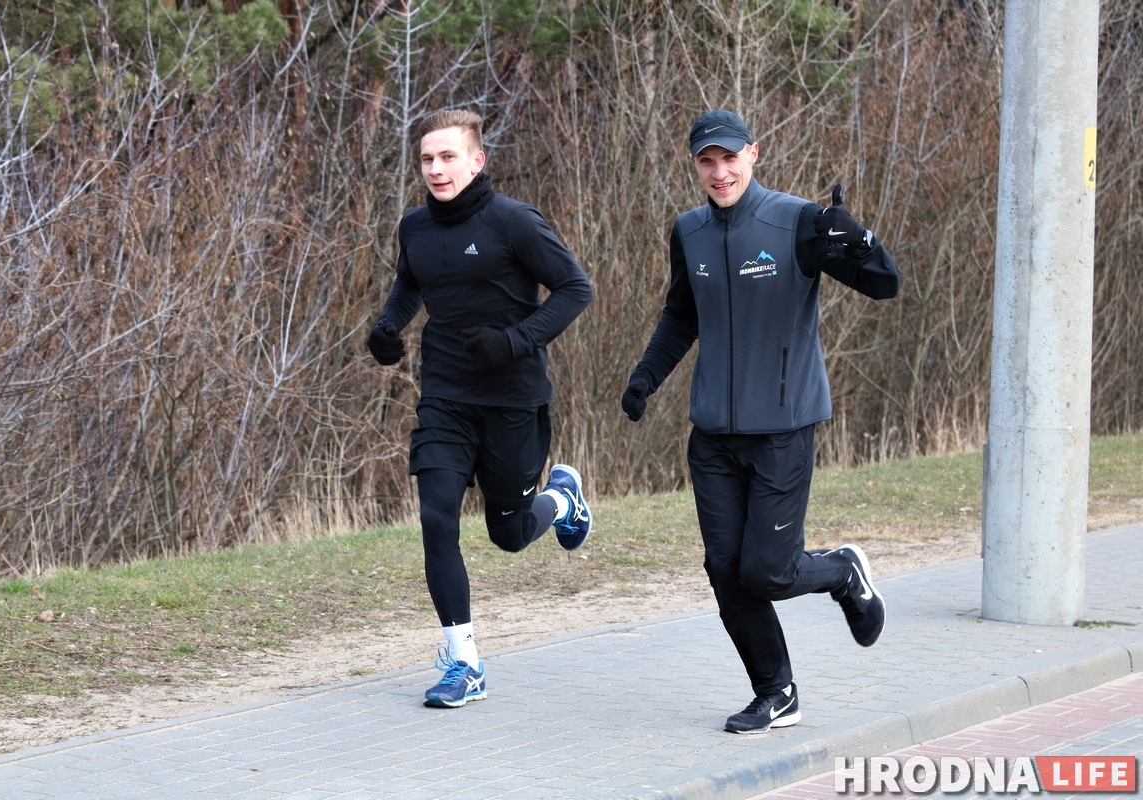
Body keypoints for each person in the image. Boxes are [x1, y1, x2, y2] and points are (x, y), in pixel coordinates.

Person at [620, 110, 900, 734]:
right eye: (706, 162)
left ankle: (843, 571)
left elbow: (884, 285)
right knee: (726, 571)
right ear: (695, 164)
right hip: (713, 436)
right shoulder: (688, 230)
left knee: (768, 572)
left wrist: (860, 240)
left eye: (729, 158)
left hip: (782, 427)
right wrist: (645, 379)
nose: (719, 172)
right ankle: (777, 692)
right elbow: (680, 315)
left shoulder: (799, 222)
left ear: (753, 154)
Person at [368, 109, 594, 709]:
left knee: (510, 534)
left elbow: (576, 288)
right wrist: (390, 326)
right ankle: (462, 662)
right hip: (445, 394)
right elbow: (411, 281)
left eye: (448, 157)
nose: (436, 169)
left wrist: (516, 340)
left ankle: (563, 497)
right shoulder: (414, 227)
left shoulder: (513, 222)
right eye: (427, 159)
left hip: (513, 397)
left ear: (477, 160)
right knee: (436, 517)